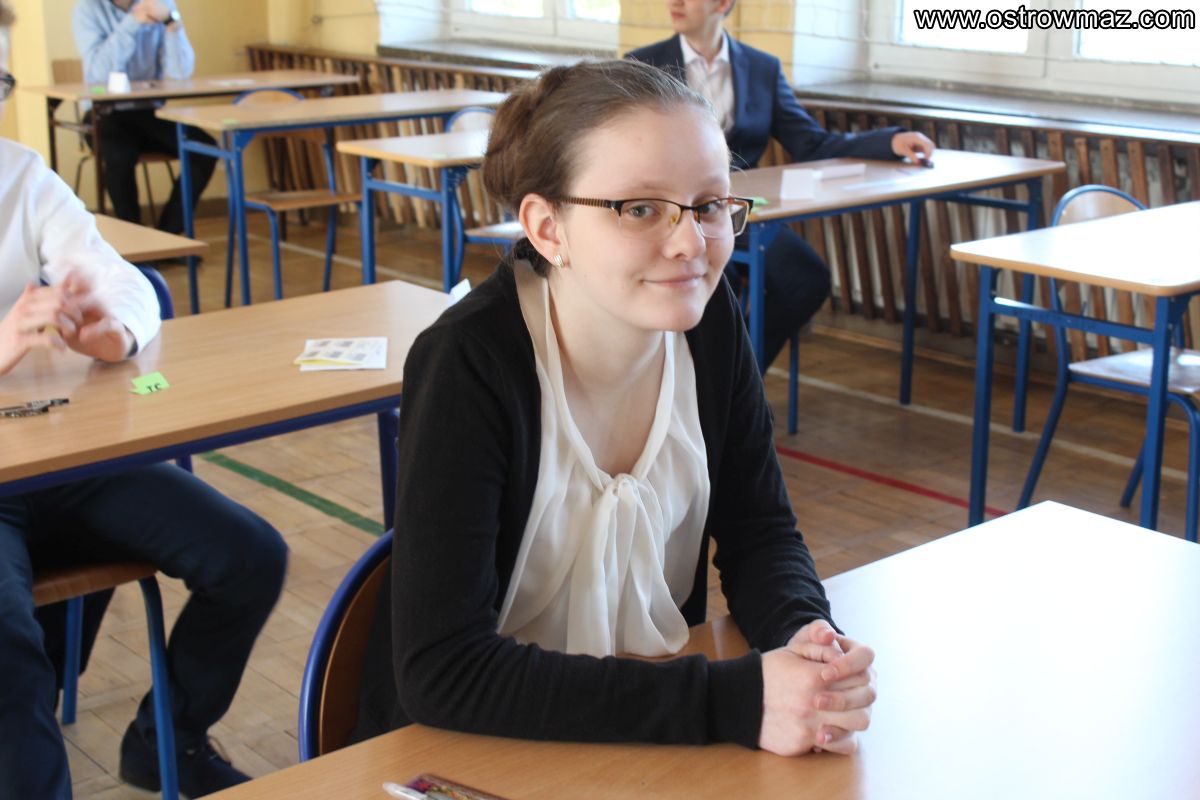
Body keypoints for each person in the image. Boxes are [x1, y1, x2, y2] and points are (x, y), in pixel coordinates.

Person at [354, 59, 876, 757]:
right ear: (548, 228)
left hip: (641, 733)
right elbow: (443, 671)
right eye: (640, 209)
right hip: (470, 749)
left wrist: (806, 635)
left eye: (709, 204)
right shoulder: (470, 362)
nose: (691, 243)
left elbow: (759, 532)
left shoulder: (709, 323)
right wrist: (734, 700)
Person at [0, 6, 287, 797]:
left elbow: (122, 278)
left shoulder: (19, 174)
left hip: (60, 459)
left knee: (250, 556)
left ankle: (167, 742)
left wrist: (113, 331)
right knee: (9, 648)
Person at [628, 0, 936, 368]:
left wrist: (890, 142)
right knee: (717, 286)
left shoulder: (763, 67)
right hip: (676, 217)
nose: (674, 2)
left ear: (723, 3)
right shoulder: (642, 64)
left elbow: (811, 143)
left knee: (806, 279)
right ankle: (705, 379)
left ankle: (738, 375)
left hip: (742, 214)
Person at [72, 0, 217, 234]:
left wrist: (171, 22)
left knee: (204, 148)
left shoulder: (160, 4)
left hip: (149, 112)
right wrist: (132, 22)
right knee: (120, 155)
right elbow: (97, 74)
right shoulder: (88, 8)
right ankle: (133, 238)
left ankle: (169, 235)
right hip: (104, 114)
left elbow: (181, 72)